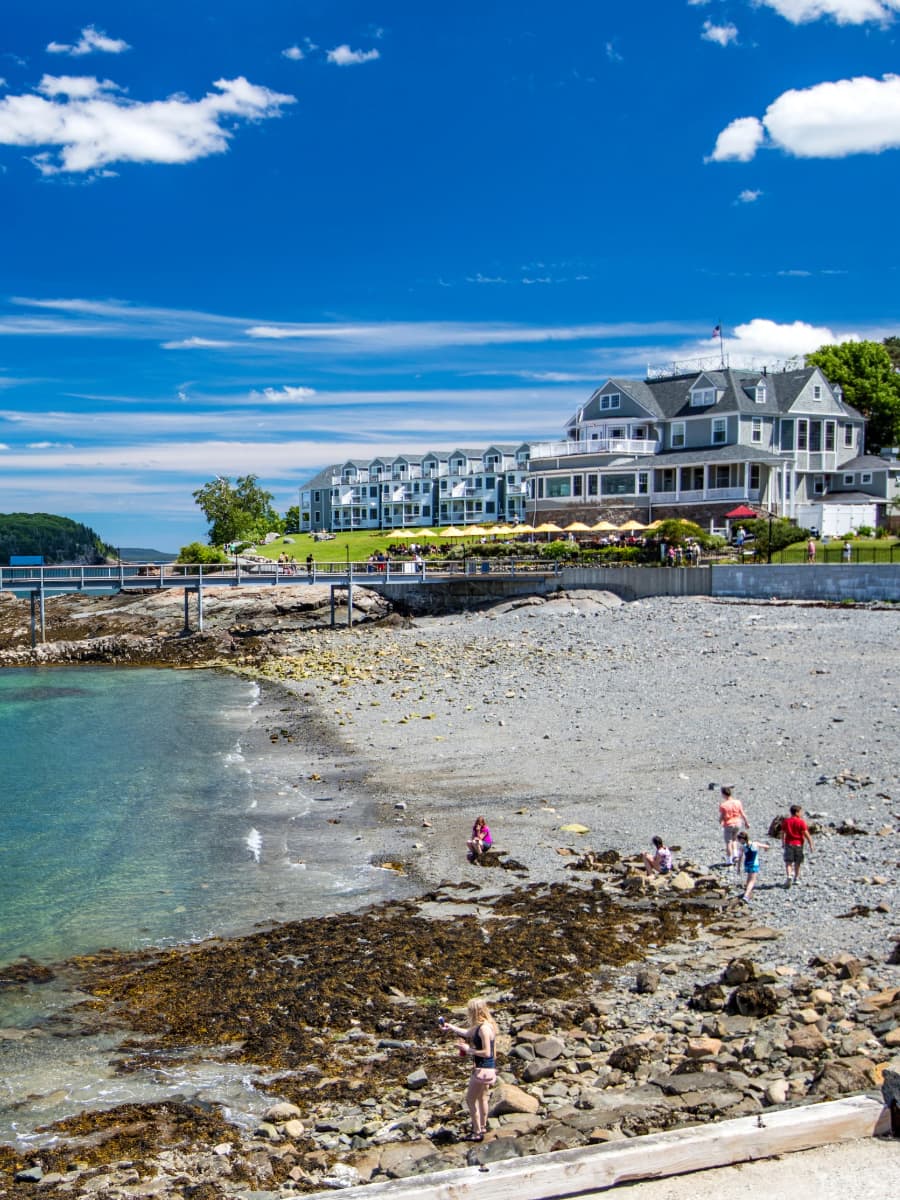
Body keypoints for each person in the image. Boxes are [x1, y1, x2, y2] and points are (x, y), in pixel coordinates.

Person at [438, 998, 498, 1142]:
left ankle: (477, 1132)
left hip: (482, 1070)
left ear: (474, 1011)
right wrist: (450, 1026)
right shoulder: (486, 1026)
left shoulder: (483, 1029)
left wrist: (468, 1049)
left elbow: (487, 1052)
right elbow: (466, 1033)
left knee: (470, 1100)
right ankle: (483, 1127)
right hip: (489, 1069)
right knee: (483, 1097)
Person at [781, 803, 813, 888]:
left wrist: (783, 842)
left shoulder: (786, 821)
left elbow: (783, 832)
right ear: (796, 812)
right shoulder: (801, 822)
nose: (801, 814)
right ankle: (796, 878)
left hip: (789, 843)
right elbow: (806, 834)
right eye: (800, 812)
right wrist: (811, 844)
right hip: (798, 844)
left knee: (788, 861)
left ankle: (789, 876)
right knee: (797, 862)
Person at [718, 785, 749, 866]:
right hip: (738, 823)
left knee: (728, 842)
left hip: (729, 824)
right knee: (734, 839)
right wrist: (746, 822)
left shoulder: (723, 805)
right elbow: (742, 813)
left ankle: (729, 860)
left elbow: (722, 817)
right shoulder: (738, 802)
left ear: (723, 794)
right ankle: (735, 855)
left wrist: (720, 821)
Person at [736, 831, 769, 902]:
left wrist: (738, 868)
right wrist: (766, 848)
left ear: (742, 839)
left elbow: (740, 858)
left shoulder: (742, 847)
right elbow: (766, 846)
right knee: (752, 881)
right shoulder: (755, 844)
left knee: (749, 879)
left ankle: (747, 892)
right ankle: (746, 895)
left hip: (747, 864)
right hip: (754, 864)